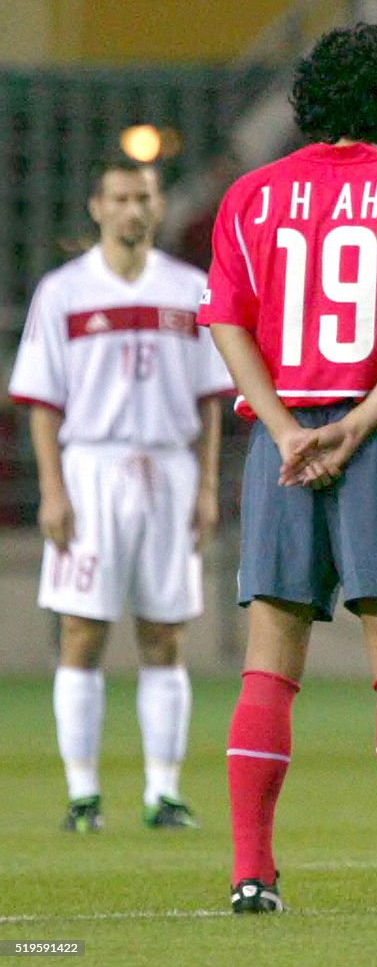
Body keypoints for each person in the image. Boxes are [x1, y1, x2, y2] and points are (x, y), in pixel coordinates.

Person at [198, 24, 377, 915]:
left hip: (283, 446)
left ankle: (251, 875)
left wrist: (285, 428)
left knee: (268, 663)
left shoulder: (251, 196)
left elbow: (226, 323)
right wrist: (359, 422)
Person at [8, 157, 232, 833]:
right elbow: (43, 401)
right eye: (121, 198)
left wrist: (209, 485)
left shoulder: (191, 289)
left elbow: (209, 398)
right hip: (92, 469)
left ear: (159, 208)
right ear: (96, 206)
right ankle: (83, 796)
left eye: (144, 198)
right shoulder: (64, 292)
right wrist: (52, 488)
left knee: (165, 633)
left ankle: (163, 793)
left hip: (170, 470)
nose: (133, 209)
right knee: (83, 631)